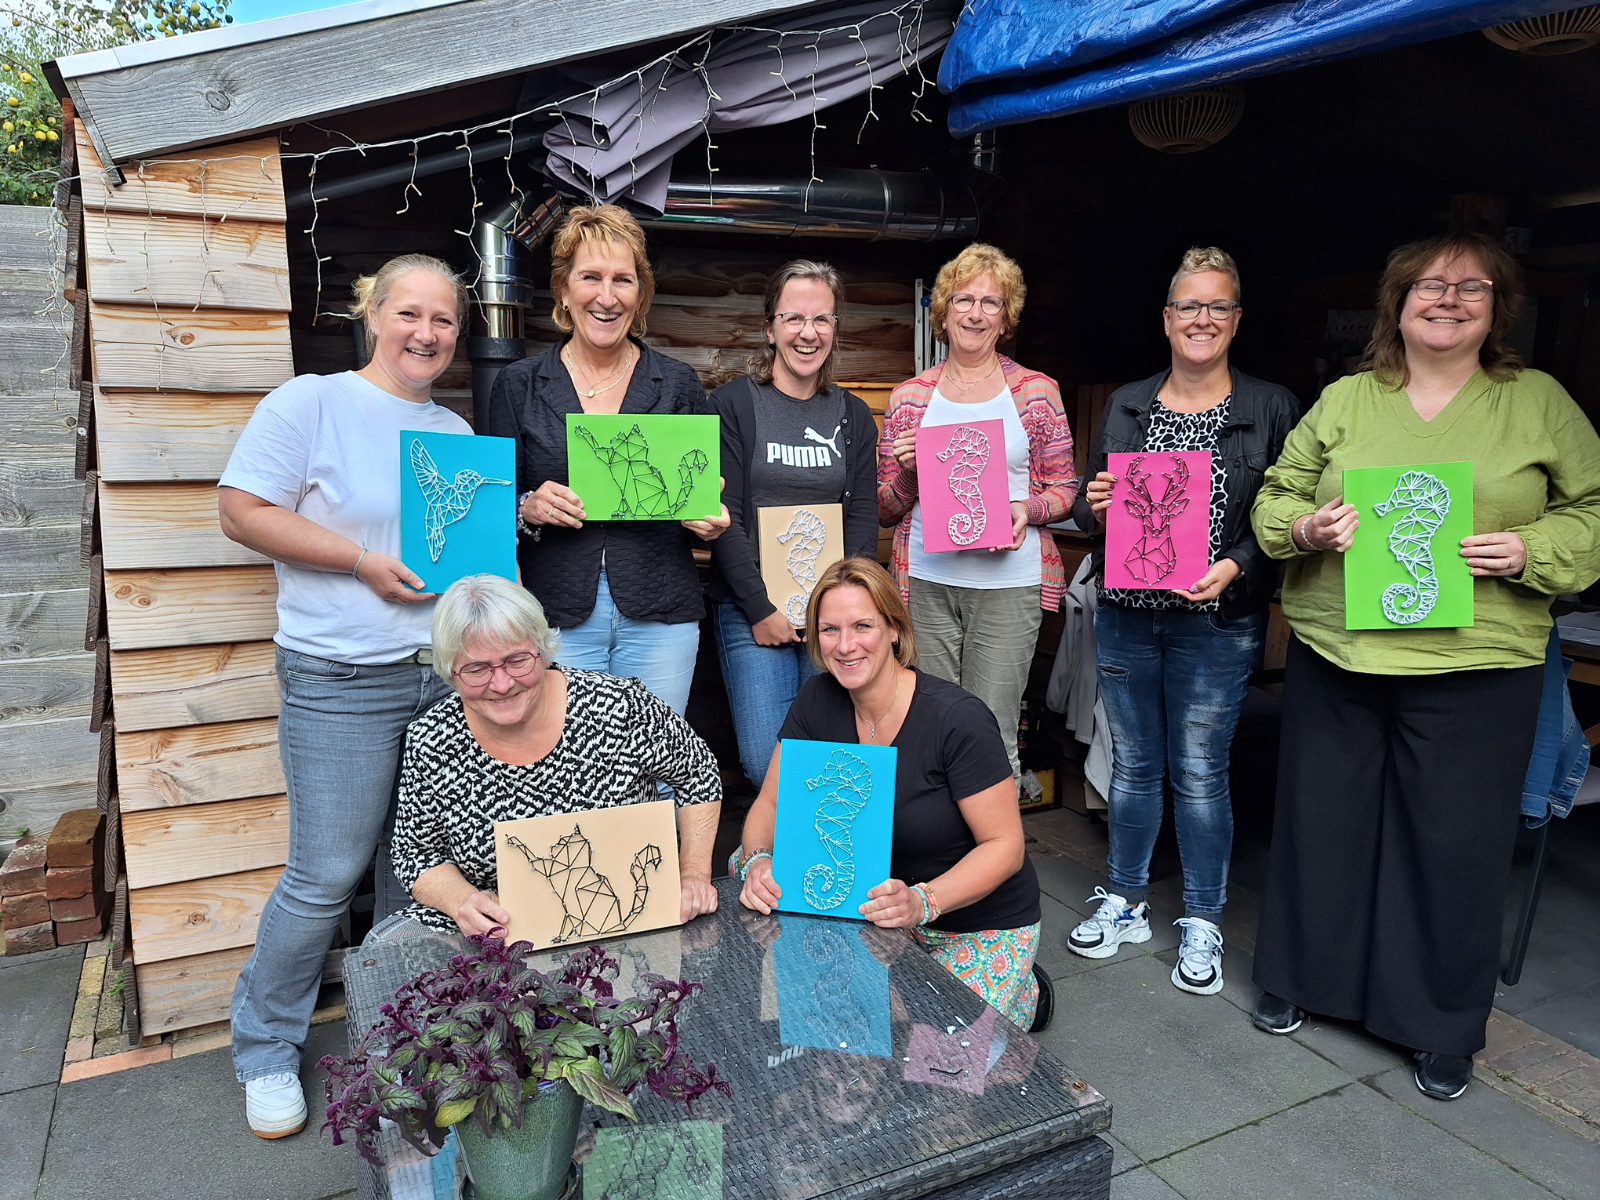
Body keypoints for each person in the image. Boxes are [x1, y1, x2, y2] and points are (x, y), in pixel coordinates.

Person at [1249, 231, 1600, 1100]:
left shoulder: (1539, 402)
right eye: (1427, 287)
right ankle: (1305, 981)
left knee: (1453, 844)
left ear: (1497, 307)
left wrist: (1528, 547)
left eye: (1469, 287)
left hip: (1478, 662)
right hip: (1343, 651)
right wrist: (1305, 530)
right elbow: (1278, 495)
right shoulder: (1347, 400)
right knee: (1323, 825)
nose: (1447, 300)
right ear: (1396, 305)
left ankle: (1438, 1023)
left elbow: (1592, 511)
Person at [217, 255, 471, 1138]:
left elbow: (451, 549)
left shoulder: (452, 431)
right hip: (338, 678)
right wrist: (360, 560)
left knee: (415, 877)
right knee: (326, 874)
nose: (426, 333)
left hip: (438, 676)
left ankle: (400, 1038)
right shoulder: (311, 403)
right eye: (410, 314)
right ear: (374, 313)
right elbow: (242, 510)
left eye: (443, 320)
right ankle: (264, 1048)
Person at [1066, 247, 1300, 997]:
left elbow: (1281, 516)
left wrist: (1237, 565)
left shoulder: (1268, 406)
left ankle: (1203, 918)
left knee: (1200, 773)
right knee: (1133, 766)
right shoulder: (1131, 401)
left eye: (1217, 306)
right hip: (1129, 615)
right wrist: (1088, 504)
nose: (1202, 319)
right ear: (1167, 320)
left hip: (1217, 620)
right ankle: (1126, 899)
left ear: (1236, 320)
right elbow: (1089, 502)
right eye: (1189, 307)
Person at [735, 557, 1049, 1030]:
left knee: (941, 1062)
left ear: (895, 630)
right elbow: (772, 803)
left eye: (863, 626)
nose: (845, 646)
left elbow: (1005, 847)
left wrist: (923, 902)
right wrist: (758, 859)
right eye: (829, 630)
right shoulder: (816, 700)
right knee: (843, 1030)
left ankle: (1029, 991)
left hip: (974, 920)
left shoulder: (957, 719)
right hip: (873, 912)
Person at [481, 204, 729, 717]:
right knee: (573, 776)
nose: (607, 296)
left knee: (657, 767)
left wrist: (709, 521)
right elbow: (487, 508)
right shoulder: (519, 385)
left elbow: (700, 497)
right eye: (590, 277)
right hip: (556, 615)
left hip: (661, 611)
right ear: (564, 289)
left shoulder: (677, 383)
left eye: (624, 279)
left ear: (641, 294)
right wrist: (526, 506)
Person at [386, 574, 722, 936]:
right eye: (477, 669)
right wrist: (463, 901)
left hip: (630, 918)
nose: (501, 684)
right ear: (451, 671)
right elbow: (416, 854)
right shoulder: (434, 738)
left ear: (542, 650)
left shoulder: (617, 706)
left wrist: (693, 875)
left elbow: (698, 774)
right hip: (495, 932)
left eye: (517, 660)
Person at [878, 243, 1076, 779]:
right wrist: (914, 469)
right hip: (925, 583)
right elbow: (885, 507)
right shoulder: (909, 397)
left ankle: (998, 862)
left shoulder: (1038, 392)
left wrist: (1026, 509)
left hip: (1010, 586)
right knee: (930, 732)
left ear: (1006, 317)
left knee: (993, 735)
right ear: (943, 312)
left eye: (992, 302)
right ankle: (940, 861)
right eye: (964, 299)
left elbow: (1065, 490)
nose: (976, 313)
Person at [708, 259, 880, 789]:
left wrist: (846, 609)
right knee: (767, 762)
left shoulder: (852, 415)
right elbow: (725, 518)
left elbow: (862, 513)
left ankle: (819, 866)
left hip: (832, 615)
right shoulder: (734, 405)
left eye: (822, 319)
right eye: (794, 318)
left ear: (835, 329)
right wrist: (761, 608)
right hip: (750, 610)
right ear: (770, 328)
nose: (809, 333)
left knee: (833, 750)